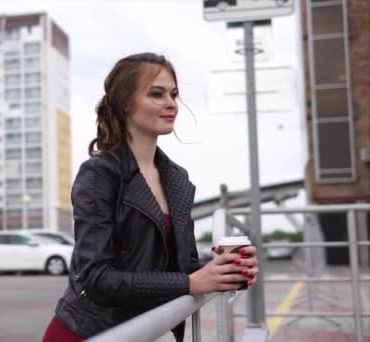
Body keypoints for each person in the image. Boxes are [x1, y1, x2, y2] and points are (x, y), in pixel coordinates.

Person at [42, 52, 259, 342]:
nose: (171, 103)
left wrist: (221, 270)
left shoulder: (177, 179)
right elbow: (96, 278)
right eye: (156, 94)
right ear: (125, 103)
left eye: (173, 94)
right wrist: (191, 282)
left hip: (155, 331)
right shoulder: (99, 174)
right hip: (92, 333)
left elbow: (183, 266)